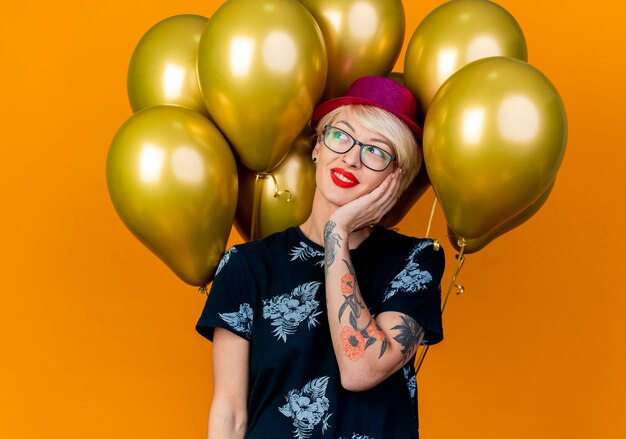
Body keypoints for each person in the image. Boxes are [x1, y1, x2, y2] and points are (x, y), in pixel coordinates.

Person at [196, 76, 445, 439]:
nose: (351, 158)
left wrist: (337, 233)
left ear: (397, 178)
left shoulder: (415, 261)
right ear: (317, 147)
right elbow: (230, 414)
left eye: (376, 151)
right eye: (340, 135)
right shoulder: (246, 266)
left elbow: (360, 370)